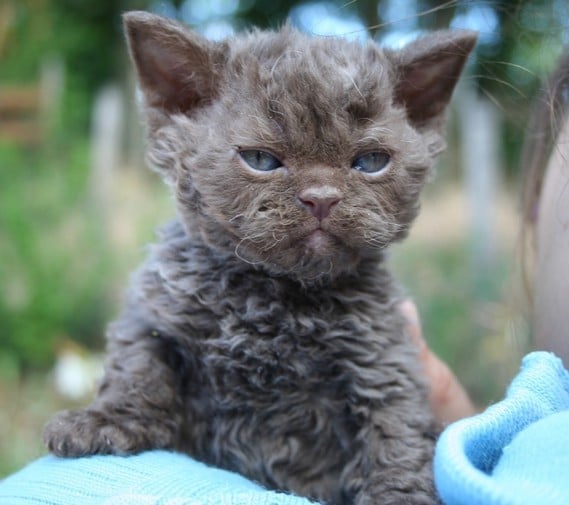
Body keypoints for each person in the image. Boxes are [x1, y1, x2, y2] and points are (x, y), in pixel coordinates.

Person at [2, 50, 569, 505]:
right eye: (264, 158)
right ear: (181, 112)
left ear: (420, 125)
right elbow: (153, 341)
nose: (321, 194)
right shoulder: (178, 281)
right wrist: (131, 411)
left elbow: (389, 414)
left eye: (367, 161)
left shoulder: (366, 305)